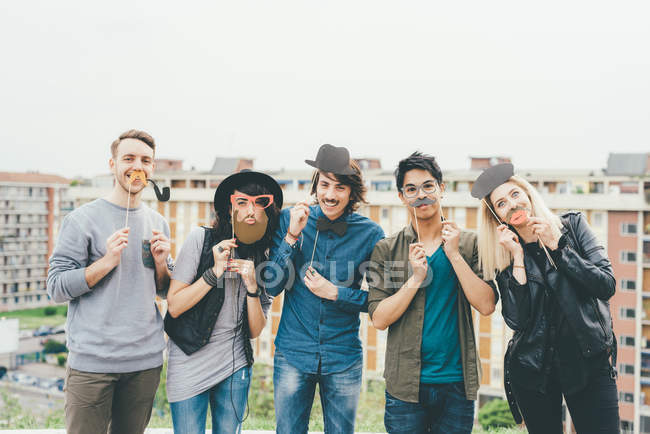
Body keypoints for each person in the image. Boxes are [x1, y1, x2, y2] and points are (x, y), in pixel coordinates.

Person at [472, 163, 619, 434]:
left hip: (589, 362)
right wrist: (517, 258)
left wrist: (559, 246)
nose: (513, 205)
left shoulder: (572, 226)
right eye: (502, 204)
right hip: (534, 370)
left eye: (515, 195)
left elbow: (606, 285)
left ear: (528, 194)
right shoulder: (504, 255)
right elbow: (517, 319)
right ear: (498, 218)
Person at [47, 129, 173, 434]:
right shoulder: (81, 220)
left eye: (145, 160)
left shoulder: (158, 223)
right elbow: (56, 287)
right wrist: (105, 263)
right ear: (112, 164)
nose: (137, 166)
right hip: (92, 364)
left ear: (152, 168)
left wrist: (160, 264)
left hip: (144, 362)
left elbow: (165, 289)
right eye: (128, 158)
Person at [368, 152, 495, 434]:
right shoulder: (386, 250)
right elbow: (378, 318)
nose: (421, 195)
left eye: (427, 186)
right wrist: (416, 279)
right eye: (411, 189)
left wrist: (454, 255)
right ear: (402, 197)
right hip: (405, 387)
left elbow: (486, 305)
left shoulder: (470, 244)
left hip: (457, 385)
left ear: (441, 188)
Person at [266, 144, 385, 434]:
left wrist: (336, 293)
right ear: (315, 184)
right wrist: (292, 236)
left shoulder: (371, 233)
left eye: (340, 187)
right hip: (293, 352)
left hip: (343, 356)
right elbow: (271, 285)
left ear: (352, 193)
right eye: (325, 184)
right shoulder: (287, 220)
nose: (330, 195)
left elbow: (380, 302)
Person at [164, 170, 280, 434]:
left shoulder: (266, 256)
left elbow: (254, 330)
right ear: (229, 209)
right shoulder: (200, 241)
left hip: (234, 365)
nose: (251, 211)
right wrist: (213, 273)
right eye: (242, 203)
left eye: (259, 203)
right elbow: (175, 305)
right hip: (188, 359)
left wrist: (252, 288)